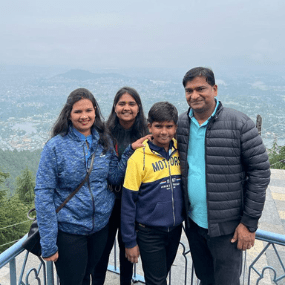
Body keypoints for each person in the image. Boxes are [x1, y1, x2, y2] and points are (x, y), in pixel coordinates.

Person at [34, 88, 148, 285]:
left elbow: (113, 177)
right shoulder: (55, 147)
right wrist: (49, 243)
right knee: (74, 280)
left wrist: (129, 151)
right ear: (68, 114)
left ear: (95, 111)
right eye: (78, 111)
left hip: (100, 229)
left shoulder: (104, 141)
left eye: (88, 110)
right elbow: (43, 194)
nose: (84, 116)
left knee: (89, 276)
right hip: (70, 230)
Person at [176, 67, 271, 285]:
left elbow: (260, 171)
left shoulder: (239, 124)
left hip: (227, 228)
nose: (194, 95)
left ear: (215, 89)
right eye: (189, 90)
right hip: (194, 223)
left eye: (201, 88)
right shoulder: (181, 124)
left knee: (226, 281)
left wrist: (248, 223)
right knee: (205, 278)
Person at [121, 102, 184, 285]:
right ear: (150, 127)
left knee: (160, 276)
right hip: (149, 232)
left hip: (174, 229)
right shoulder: (138, 158)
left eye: (169, 126)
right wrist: (130, 241)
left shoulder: (180, 151)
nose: (164, 132)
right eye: (158, 126)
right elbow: (128, 203)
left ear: (175, 127)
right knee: (157, 281)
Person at [92, 86, 148, 285]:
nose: (127, 108)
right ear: (115, 107)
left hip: (133, 203)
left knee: (128, 253)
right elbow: (109, 174)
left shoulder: (147, 133)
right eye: (122, 103)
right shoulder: (104, 134)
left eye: (131, 104)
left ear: (139, 107)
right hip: (108, 203)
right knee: (101, 253)